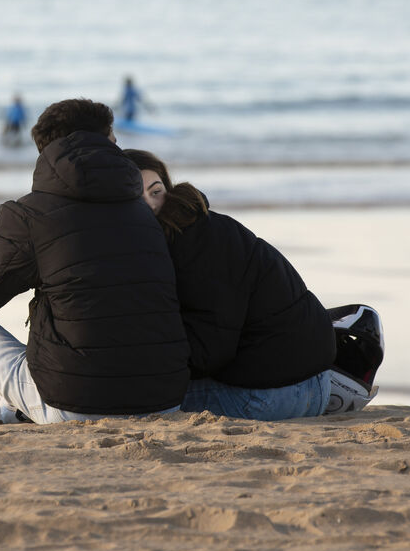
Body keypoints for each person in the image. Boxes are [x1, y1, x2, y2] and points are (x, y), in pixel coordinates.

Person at [0, 99, 190, 425]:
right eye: (113, 140)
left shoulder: (32, 215)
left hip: (76, 405)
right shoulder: (143, 213)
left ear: (46, 153)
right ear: (105, 140)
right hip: (164, 401)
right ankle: (15, 408)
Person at [122, 149, 382, 420]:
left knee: (138, 400)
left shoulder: (189, 244)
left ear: (170, 190)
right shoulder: (200, 225)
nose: (149, 204)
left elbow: (209, 351)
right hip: (311, 381)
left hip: (279, 394)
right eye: (135, 195)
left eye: (156, 191)